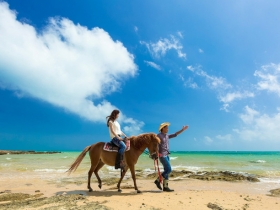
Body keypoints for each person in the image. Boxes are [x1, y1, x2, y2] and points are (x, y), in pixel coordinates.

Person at [154, 122, 188, 192]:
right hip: (162, 155)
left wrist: (183, 130)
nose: (168, 129)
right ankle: (157, 180)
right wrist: (157, 153)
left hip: (167, 155)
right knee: (169, 170)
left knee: (166, 170)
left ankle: (165, 187)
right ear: (163, 128)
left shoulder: (167, 136)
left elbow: (175, 134)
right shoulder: (158, 135)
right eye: (166, 128)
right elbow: (155, 145)